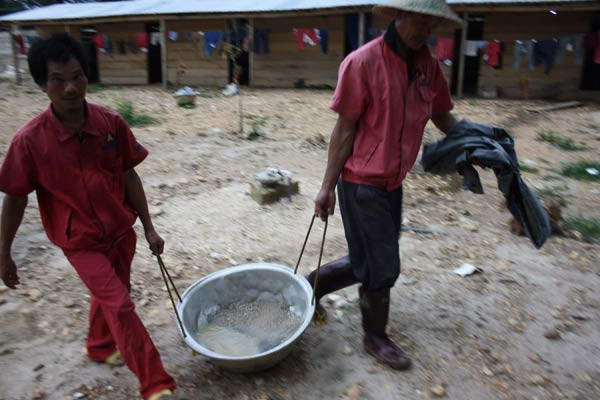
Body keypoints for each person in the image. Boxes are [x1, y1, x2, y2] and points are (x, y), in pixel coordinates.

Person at [0, 33, 176, 400]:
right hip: (80, 242)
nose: (70, 88)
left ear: (86, 76)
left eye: (77, 76)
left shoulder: (110, 123)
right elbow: (15, 198)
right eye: (57, 79)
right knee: (120, 305)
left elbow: (129, 175)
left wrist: (149, 228)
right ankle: (155, 383)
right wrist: (4, 252)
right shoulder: (29, 141)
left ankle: (98, 345)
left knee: (112, 295)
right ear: (41, 84)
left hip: (120, 232)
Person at [308, 0, 462, 370]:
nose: (425, 30)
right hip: (361, 182)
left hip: (394, 182)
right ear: (398, 15)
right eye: (419, 21)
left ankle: (312, 286)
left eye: (432, 24)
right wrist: (327, 187)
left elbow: (442, 115)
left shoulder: (428, 66)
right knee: (382, 266)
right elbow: (344, 129)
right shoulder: (362, 62)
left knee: (369, 257)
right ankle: (374, 336)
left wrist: (476, 141)